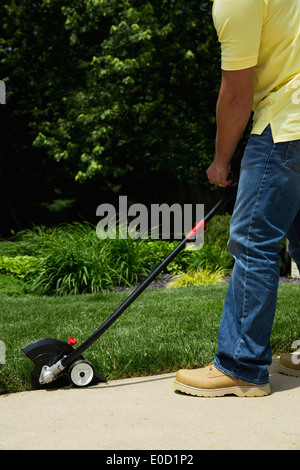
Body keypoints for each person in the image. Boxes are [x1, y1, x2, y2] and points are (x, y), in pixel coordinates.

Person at [174, 0, 300, 397]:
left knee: (253, 240)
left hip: (286, 124)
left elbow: (235, 94)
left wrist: (221, 160)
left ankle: (241, 364)